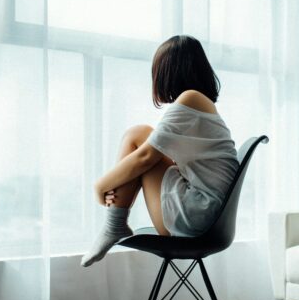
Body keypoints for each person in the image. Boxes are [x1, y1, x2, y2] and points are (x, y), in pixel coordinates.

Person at [81, 35, 239, 267]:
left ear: (169, 71)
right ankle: (114, 224)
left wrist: (100, 186)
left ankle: (114, 225)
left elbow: (146, 157)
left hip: (197, 218)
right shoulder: (200, 104)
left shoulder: (191, 99)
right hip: (207, 216)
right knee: (141, 134)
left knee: (137, 137)